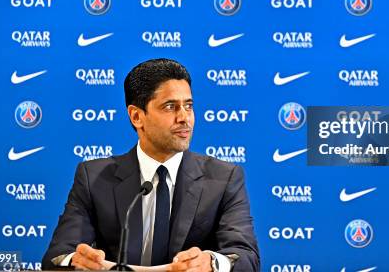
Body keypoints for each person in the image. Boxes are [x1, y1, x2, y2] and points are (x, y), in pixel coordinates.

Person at [42, 58, 259, 271]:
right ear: (137, 117)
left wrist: (211, 263)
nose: (185, 118)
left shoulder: (224, 178)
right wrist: (77, 260)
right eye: (170, 107)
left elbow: (246, 257)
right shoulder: (93, 177)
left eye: (188, 106)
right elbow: (56, 257)